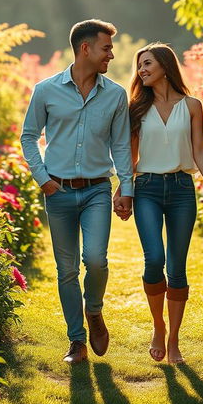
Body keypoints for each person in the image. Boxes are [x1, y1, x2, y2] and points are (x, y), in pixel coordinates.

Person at [21, 19, 133, 364]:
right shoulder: (46, 90)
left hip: (97, 189)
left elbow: (121, 145)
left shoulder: (115, 94)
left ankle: (94, 309)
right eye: (106, 48)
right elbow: (28, 136)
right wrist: (43, 178)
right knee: (66, 270)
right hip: (58, 193)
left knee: (96, 259)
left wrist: (126, 187)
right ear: (85, 48)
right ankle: (77, 341)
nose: (111, 55)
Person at [114, 42, 203, 364]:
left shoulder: (193, 105)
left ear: (164, 66)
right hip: (147, 188)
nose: (141, 71)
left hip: (182, 189)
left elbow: (199, 148)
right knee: (154, 259)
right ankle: (158, 326)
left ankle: (173, 340)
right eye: (139, 66)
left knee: (177, 267)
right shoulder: (136, 109)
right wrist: (123, 190)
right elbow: (130, 157)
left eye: (146, 64)